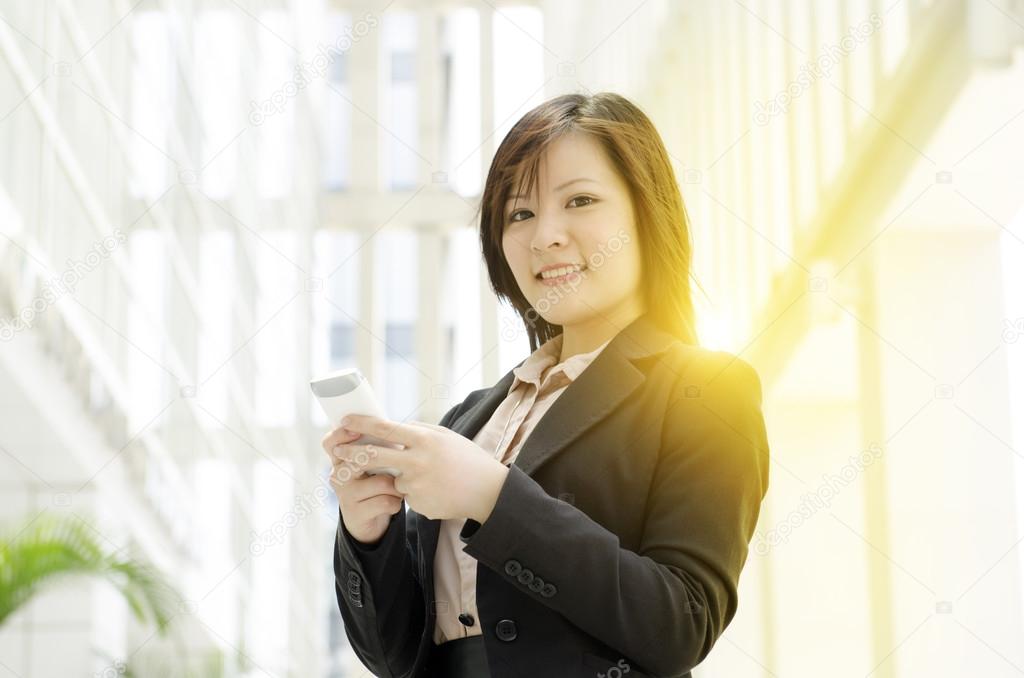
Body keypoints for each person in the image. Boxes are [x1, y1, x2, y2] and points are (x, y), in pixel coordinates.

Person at [322, 91, 770, 678]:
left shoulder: (707, 388)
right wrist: (368, 529)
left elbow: (680, 624)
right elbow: (395, 656)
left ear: (647, 210)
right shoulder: (471, 418)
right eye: (520, 213)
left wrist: (492, 495)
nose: (544, 236)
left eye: (579, 200)